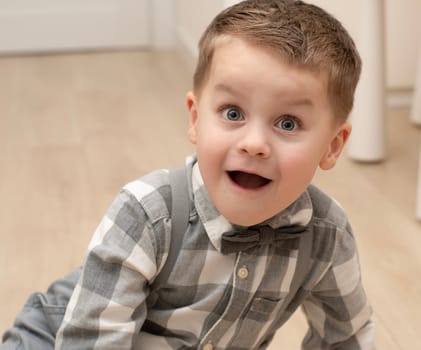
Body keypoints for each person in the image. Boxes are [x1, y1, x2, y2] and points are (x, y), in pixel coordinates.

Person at [2, 0, 375, 349]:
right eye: (232, 113)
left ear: (332, 146)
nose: (254, 143)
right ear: (196, 118)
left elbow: (346, 338)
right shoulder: (147, 214)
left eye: (288, 123)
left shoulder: (327, 235)